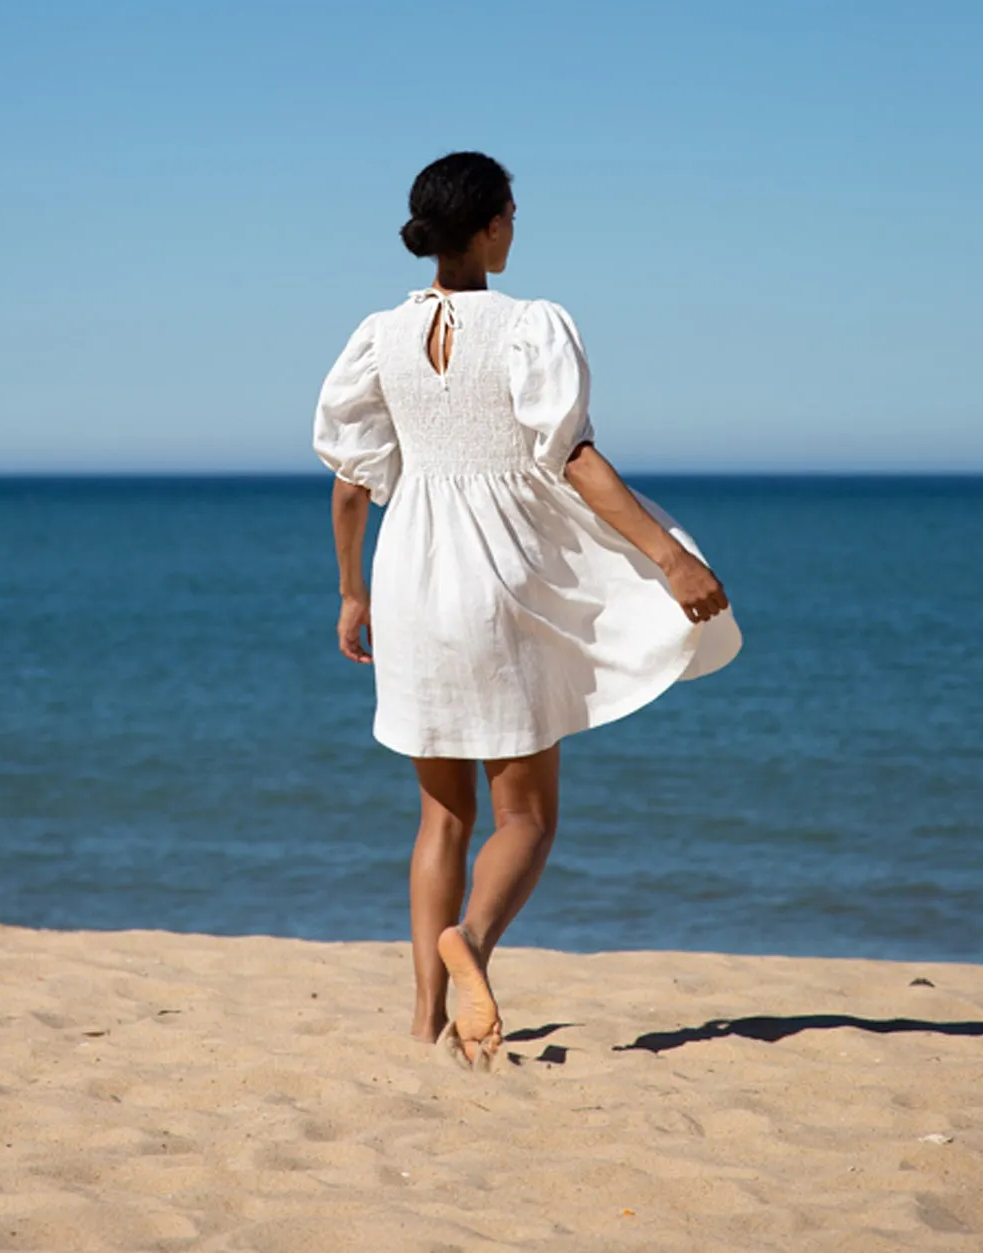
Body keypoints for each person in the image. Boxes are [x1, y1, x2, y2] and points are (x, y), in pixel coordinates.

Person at [312, 151, 741, 1069]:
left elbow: (352, 483)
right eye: (512, 212)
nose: (517, 227)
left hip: (411, 576)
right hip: (498, 580)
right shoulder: (527, 325)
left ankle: (426, 1022)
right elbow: (573, 459)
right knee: (528, 820)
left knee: (441, 818)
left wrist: (352, 588)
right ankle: (470, 938)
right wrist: (669, 559)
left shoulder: (379, 336)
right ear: (490, 224)